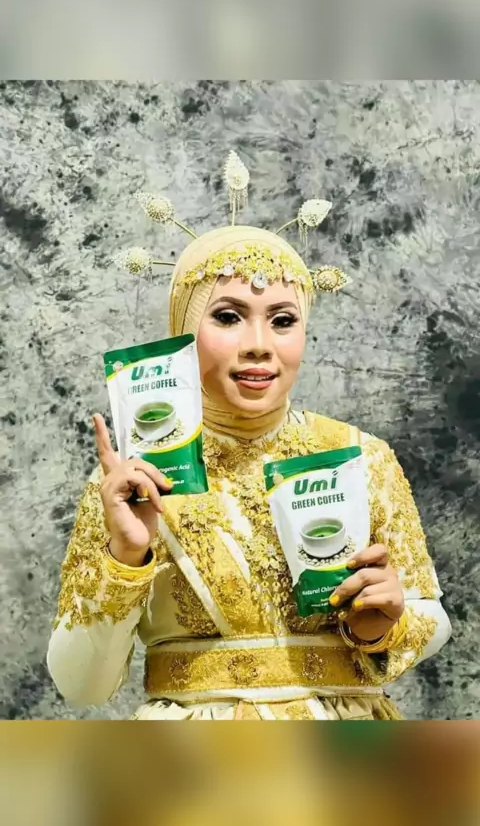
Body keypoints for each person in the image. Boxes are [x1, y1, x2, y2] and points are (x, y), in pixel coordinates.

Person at [47, 152, 451, 720]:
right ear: (183, 330)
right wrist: (126, 555)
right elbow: (81, 684)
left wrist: (382, 623)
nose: (259, 344)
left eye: (283, 320)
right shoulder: (133, 479)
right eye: (228, 317)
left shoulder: (361, 456)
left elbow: (430, 618)